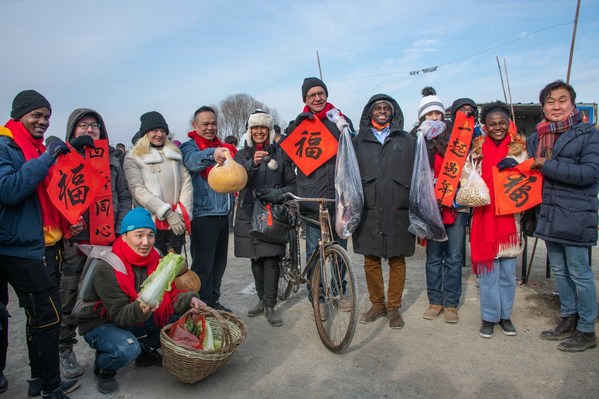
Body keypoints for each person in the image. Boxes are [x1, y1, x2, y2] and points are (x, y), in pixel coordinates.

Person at [0, 90, 80, 399]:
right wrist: (48, 157)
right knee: (47, 317)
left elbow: (50, 193)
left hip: (46, 245)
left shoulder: (33, 148)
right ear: (19, 115)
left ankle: (38, 379)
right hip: (20, 248)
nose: (43, 122)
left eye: (47, 116)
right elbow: (9, 190)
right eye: (36, 115)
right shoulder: (6, 146)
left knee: (40, 317)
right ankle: (50, 388)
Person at [76, 208, 205, 394]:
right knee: (126, 349)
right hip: (101, 322)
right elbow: (120, 315)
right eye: (139, 235)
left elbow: (171, 296)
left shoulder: (156, 257)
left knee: (180, 319)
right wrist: (143, 307)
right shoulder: (108, 267)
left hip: (138, 313)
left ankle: (146, 350)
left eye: (150, 235)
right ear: (125, 235)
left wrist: (191, 299)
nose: (146, 242)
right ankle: (104, 368)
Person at [57, 108, 132, 379]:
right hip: (74, 242)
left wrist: (119, 225)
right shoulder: (63, 158)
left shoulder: (112, 160)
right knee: (69, 296)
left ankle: (109, 346)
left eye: (95, 126)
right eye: (83, 126)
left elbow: (123, 196)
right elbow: (54, 196)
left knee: (107, 294)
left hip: (107, 240)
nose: (90, 130)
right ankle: (64, 348)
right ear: (72, 130)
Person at [528, 80, 599, 352]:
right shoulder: (537, 136)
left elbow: (591, 174)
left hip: (576, 215)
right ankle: (568, 319)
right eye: (550, 101)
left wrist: (548, 165)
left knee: (580, 272)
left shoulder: (587, 134)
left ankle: (587, 329)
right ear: (543, 106)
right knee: (560, 271)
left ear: (573, 103)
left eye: (562, 100)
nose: (556, 106)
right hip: (548, 213)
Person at [284, 77, 353, 307]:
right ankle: (318, 297)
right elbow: (286, 155)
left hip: (338, 196)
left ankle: (339, 291)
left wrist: (345, 127)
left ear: (326, 95)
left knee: (339, 248)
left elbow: (354, 149)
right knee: (315, 249)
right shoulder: (299, 123)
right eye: (311, 95)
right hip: (311, 198)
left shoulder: (340, 120)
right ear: (305, 99)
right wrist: (296, 126)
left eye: (320, 93)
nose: (317, 98)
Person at [352, 94, 415, 329]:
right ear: (369, 112)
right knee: (371, 258)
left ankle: (394, 308)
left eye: (386, 108)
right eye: (377, 107)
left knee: (397, 259)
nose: (381, 111)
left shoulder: (407, 140)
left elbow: (418, 173)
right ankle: (377, 305)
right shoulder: (358, 141)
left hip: (398, 206)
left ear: (393, 112)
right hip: (369, 207)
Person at [470, 101, 527, 339]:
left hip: (509, 220)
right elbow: (467, 177)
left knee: (506, 272)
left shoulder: (519, 149)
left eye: (502, 123)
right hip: (484, 216)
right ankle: (489, 317)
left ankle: (505, 316)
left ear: (508, 123)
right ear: (484, 126)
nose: (497, 127)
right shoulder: (477, 150)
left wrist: (518, 165)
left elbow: (530, 177)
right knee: (488, 273)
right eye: (492, 124)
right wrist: (475, 163)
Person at [233, 112, 295, 326]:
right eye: (255, 128)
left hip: (272, 213)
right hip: (249, 211)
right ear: (249, 132)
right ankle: (261, 299)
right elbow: (237, 182)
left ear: (270, 131)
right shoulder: (240, 155)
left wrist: (279, 194)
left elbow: (292, 184)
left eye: (263, 128)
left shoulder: (281, 154)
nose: (259, 131)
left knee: (271, 258)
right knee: (255, 257)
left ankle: (270, 305)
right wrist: (251, 164)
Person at [419, 91, 474, 324]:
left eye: (437, 113)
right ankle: (435, 301)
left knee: (453, 257)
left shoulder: (457, 137)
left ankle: (451, 304)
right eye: (428, 114)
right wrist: (418, 140)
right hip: (431, 208)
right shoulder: (418, 139)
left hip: (455, 205)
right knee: (433, 257)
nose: (433, 118)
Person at [180, 106, 237, 312]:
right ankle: (202, 305)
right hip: (203, 215)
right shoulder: (190, 147)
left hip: (223, 214)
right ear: (195, 125)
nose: (210, 127)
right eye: (205, 124)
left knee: (219, 264)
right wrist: (214, 154)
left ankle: (213, 299)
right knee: (203, 265)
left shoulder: (223, 147)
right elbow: (193, 162)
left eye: (213, 123)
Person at [124, 111, 193, 256]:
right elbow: (138, 190)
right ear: (145, 133)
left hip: (175, 224)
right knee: (154, 269)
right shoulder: (133, 157)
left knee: (176, 268)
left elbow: (186, 182)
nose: (159, 134)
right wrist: (167, 212)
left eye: (162, 131)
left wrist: (180, 214)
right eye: (154, 130)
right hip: (150, 223)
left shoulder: (174, 154)